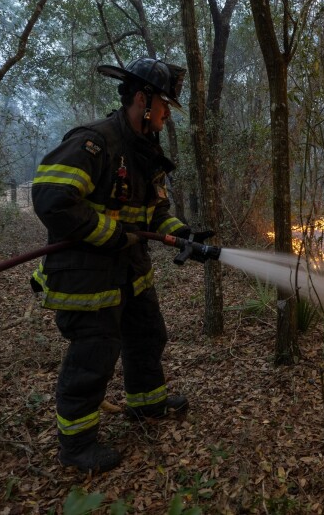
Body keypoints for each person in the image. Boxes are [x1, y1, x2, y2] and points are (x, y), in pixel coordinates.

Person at [31, 58, 210, 473]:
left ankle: (146, 405)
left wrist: (182, 233)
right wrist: (107, 233)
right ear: (143, 101)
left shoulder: (145, 151)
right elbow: (52, 198)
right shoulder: (95, 142)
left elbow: (152, 215)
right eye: (164, 107)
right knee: (94, 355)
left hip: (130, 271)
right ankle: (76, 445)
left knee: (148, 335)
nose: (166, 118)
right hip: (87, 276)